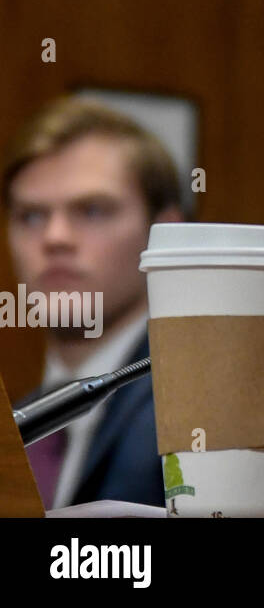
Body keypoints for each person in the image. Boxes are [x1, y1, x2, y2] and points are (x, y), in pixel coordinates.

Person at [3, 96, 183, 508]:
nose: (55, 237)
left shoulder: (197, 403)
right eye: (31, 216)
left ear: (164, 235)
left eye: (92, 210)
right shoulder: (21, 419)